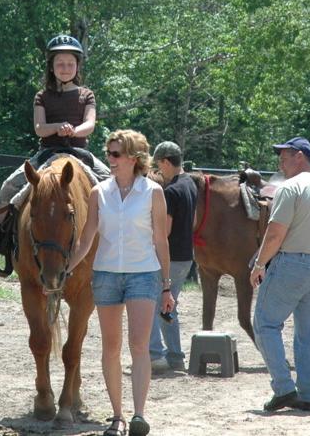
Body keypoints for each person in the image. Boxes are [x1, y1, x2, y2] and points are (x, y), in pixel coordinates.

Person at [66, 129, 173, 436]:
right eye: (109, 153)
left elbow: (160, 240)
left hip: (143, 273)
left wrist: (166, 285)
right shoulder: (98, 192)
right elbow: (86, 239)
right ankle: (117, 415)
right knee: (110, 347)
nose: (110, 159)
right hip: (106, 274)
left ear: (133, 158)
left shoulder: (153, 192)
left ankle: (139, 414)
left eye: (115, 154)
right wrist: (65, 271)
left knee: (139, 344)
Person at [0, 34, 109, 254]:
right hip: (48, 152)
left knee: (112, 183)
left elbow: (89, 124)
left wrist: (73, 131)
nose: (65, 68)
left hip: (78, 152)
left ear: (77, 66)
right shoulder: (42, 96)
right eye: (60, 64)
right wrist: (58, 127)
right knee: (9, 186)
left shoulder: (86, 95)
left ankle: (115, 238)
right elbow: (39, 128)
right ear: (51, 67)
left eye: (70, 64)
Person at [250, 137, 310, 413]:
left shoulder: (290, 188)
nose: (280, 162)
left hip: (290, 264)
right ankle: (308, 394)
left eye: (285, 156)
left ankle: (283, 387)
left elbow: (275, 234)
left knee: (265, 324)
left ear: (300, 156)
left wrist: (259, 264)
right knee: (308, 332)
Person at [147, 141, 196, 374]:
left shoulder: (171, 191)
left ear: (166, 161)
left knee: (152, 305)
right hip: (186, 256)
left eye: (159, 165)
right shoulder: (190, 184)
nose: (159, 170)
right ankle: (175, 357)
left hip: (169, 257)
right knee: (167, 308)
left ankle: (155, 355)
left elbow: (163, 230)